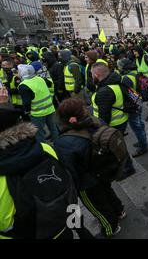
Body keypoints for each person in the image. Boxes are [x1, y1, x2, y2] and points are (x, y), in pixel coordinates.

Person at [0, 87, 73, 239]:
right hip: (63, 225)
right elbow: (69, 187)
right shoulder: (45, 148)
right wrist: (77, 226)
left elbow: (6, 225)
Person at [54, 98, 126, 238]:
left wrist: (72, 191)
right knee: (107, 191)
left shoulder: (64, 143)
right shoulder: (96, 121)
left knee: (98, 206)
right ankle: (119, 211)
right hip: (103, 170)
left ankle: (110, 228)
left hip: (87, 182)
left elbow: (70, 171)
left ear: (69, 120)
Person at [91, 62, 136, 179]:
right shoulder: (113, 82)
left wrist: (101, 130)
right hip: (121, 120)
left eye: (92, 74)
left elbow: (104, 116)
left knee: (117, 147)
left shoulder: (105, 91)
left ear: (96, 75)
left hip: (113, 125)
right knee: (119, 145)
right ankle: (127, 166)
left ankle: (127, 168)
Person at [17, 64, 59, 143]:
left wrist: (27, 111)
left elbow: (26, 103)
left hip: (37, 113)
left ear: (22, 73)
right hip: (49, 108)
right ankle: (58, 143)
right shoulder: (40, 79)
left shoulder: (23, 85)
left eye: (19, 72)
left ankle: (43, 149)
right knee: (53, 128)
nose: (17, 73)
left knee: (39, 133)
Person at [117, 58, 148, 157]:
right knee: (140, 123)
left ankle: (143, 146)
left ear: (122, 66)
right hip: (139, 102)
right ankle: (142, 140)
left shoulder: (126, 78)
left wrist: (134, 104)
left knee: (136, 126)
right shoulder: (134, 73)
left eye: (119, 66)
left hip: (133, 105)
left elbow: (129, 94)